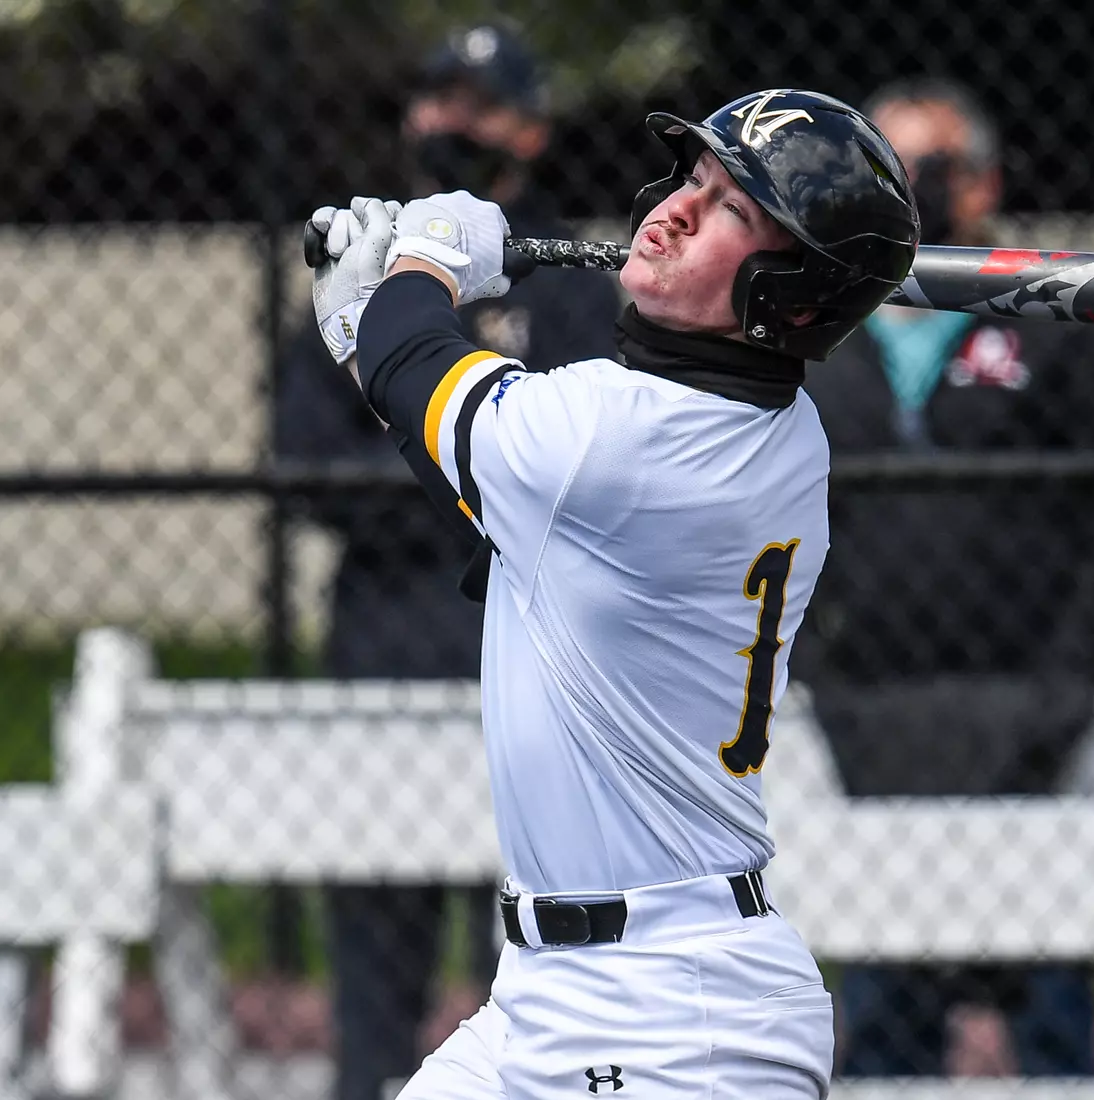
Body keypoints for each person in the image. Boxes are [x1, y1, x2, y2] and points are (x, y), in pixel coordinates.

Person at [304, 88, 919, 1099]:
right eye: (695, 179)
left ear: (791, 296)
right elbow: (496, 479)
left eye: (732, 211)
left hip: (669, 1017)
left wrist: (424, 260)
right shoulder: (765, 427)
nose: (674, 207)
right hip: (561, 986)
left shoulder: (617, 434)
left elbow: (429, 372)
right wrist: (372, 332)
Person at [272, 24, 621, 1100]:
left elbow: (581, 472)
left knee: (529, 949)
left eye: (476, 106)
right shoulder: (364, 272)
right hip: (384, 645)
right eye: (434, 102)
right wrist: (477, 479)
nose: (447, 126)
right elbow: (306, 464)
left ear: (529, 130)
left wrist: (425, 458)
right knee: (375, 954)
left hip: (528, 660)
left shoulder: (568, 274)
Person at [794, 77, 1094, 1079]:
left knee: (1047, 1022)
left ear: (984, 181)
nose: (907, 190)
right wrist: (821, 672)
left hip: (1024, 726)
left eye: (931, 167)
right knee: (883, 1025)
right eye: (882, 168)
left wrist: (1063, 683)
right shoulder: (812, 335)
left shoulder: (1052, 321)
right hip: (875, 726)